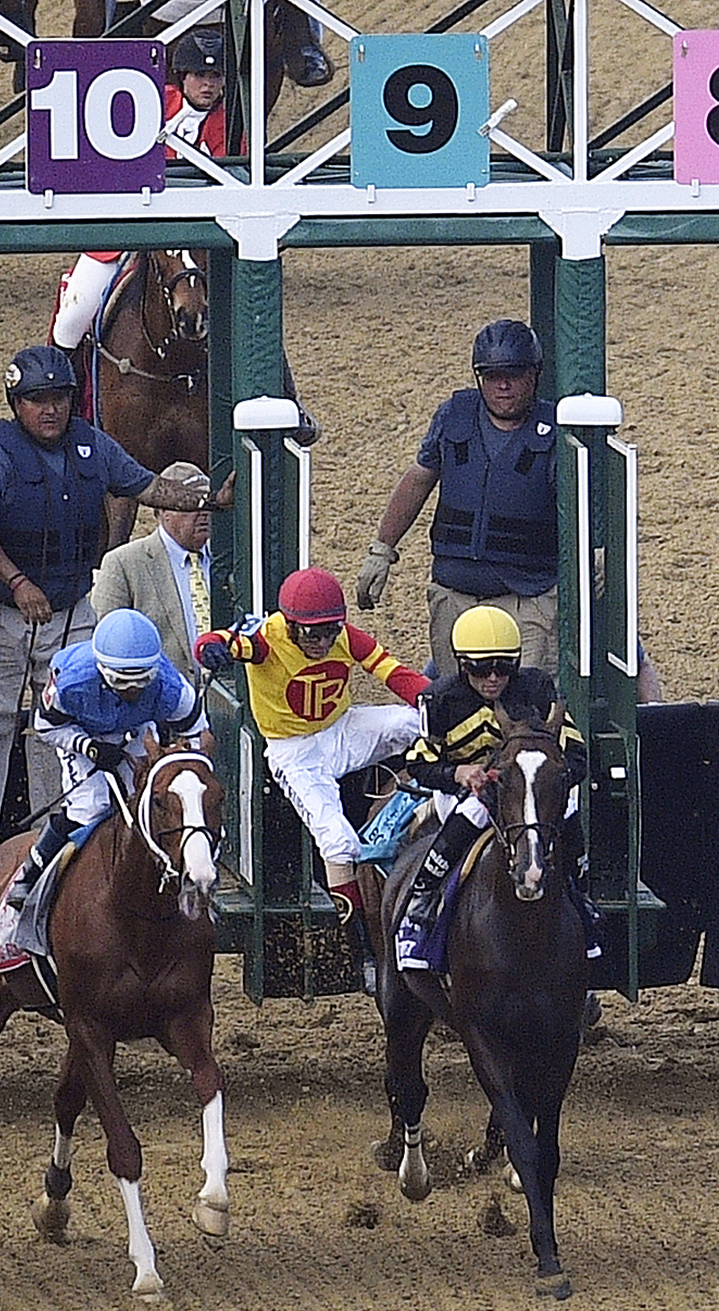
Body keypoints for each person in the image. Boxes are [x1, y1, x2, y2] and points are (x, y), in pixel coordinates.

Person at [0, 344, 224, 828]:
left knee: (74, 718)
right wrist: (17, 581)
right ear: (16, 403)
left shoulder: (92, 443)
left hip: (71, 609)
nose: (50, 409)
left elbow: (149, 487)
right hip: (6, 613)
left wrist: (210, 499)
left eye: (59, 398)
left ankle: (56, 826)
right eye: (37, 399)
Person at [47, 30, 318, 447]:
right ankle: (59, 403)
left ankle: (287, 400)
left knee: (254, 311)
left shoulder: (234, 124)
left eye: (215, 77)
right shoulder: (149, 106)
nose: (208, 85)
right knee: (73, 314)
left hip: (203, 243)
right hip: (131, 229)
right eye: (198, 76)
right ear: (182, 77)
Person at [195, 567, 429, 978]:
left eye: (330, 631)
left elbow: (394, 674)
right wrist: (210, 649)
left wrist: (435, 700)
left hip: (342, 729)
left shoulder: (345, 637)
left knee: (417, 721)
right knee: (338, 842)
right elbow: (217, 640)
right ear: (289, 625)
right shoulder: (266, 639)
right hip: (293, 751)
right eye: (311, 634)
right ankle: (363, 953)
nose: (322, 643)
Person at [354, 319, 560, 681]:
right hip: (455, 595)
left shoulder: (556, 429)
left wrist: (595, 555)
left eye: (513, 374)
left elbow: (583, 503)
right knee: (458, 701)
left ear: (534, 375)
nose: (503, 385)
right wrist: (382, 550)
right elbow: (418, 479)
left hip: (528, 597)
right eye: (492, 375)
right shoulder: (454, 416)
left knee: (526, 702)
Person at [392, 606, 589, 972]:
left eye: (504, 667)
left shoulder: (537, 689)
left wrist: (551, 780)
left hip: (528, 786)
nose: (494, 678)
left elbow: (577, 753)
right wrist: (458, 773)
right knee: (469, 817)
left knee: (570, 812)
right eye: (481, 669)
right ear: (462, 665)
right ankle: (421, 901)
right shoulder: (440, 700)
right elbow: (418, 764)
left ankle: (580, 893)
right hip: (468, 793)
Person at [3, 609, 210, 910]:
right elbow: (46, 727)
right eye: (121, 682)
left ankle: (183, 872)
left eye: (142, 681)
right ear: (102, 670)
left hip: (136, 731)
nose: (132, 691)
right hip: (80, 731)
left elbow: (197, 735)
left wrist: (179, 764)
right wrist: (88, 747)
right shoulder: (71, 683)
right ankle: (31, 873)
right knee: (91, 806)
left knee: (146, 802)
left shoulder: (172, 688)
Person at [90, 500, 212, 686]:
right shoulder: (123, 563)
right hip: (157, 693)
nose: (203, 513)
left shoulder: (233, 557)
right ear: (164, 511)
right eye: (192, 506)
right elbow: (108, 641)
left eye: (208, 505)